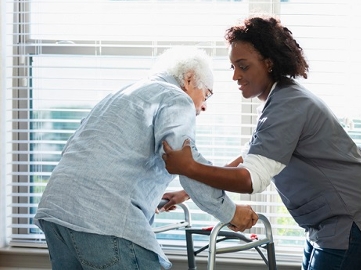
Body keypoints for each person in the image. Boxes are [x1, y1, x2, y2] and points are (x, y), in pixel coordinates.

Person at [161, 14, 361, 270]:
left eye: (243, 66)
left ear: (269, 63)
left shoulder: (288, 105)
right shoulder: (278, 100)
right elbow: (248, 158)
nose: (235, 77)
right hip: (331, 219)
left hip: (355, 215)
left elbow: (250, 179)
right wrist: (187, 192)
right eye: (233, 67)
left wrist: (189, 168)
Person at [34, 46, 258, 270]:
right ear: (189, 79)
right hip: (103, 222)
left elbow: (93, 157)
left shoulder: (119, 96)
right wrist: (231, 212)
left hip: (56, 215)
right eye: (207, 94)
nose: (205, 105)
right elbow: (188, 163)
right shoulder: (175, 98)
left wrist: (148, 198)